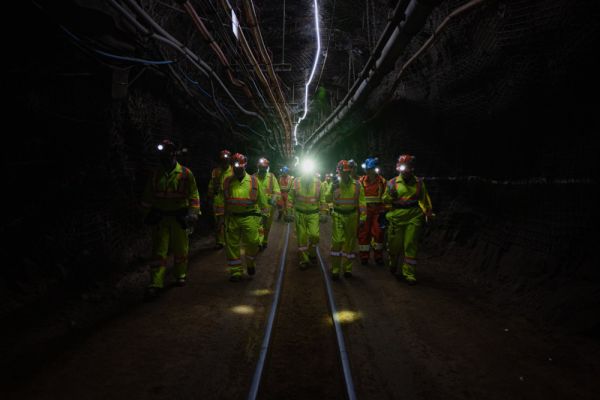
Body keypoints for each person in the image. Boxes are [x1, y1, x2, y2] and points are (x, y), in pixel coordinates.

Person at [141, 139, 200, 298]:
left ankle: (180, 275)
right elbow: (148, 197)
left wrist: (193, 213)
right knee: (159, 251)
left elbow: (194, 195)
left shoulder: (186, 174)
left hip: (179, 216)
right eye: (162, 156)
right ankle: (156, 282)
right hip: (160, 217)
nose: (164, 159)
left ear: (173, 155)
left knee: (181, 249)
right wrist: (144, 215)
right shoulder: (155, 174)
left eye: (167, 156)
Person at [383, 154, 433, 285]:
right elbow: (384, 199)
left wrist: (428, 212)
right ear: (398, 168)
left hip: (414, 217)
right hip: (397, 217)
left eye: (407, 167)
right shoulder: (392, 183)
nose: (405, 170)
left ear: (412, 168)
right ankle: (393, 262)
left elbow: (425, 199)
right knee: (394, 245)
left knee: (410, 244)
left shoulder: (419, 183)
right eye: (402, 167)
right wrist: (391, 197)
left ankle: (409, 273)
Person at [223, 153, 269, 282]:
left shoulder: (254, 181)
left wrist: (265, 214)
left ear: (245, 166)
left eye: (240, 167)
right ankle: (235, 272)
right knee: (232, 246)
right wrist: (223, 219)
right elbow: (225, 201)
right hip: (232, 218)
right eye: (235, 167)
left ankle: (250, 263)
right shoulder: (227, 181)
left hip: (250, 217)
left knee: (253, 243)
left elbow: (262, 199)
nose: (237, 169)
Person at [325, 160, 366, 280]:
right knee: (337, 241)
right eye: (343, 172)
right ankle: (335, 269)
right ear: (338, 172)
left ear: (350, 171)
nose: (345, 174)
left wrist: (363, 217)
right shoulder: (335, 184)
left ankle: (347, 269)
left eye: (347, 172)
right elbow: (327, 198)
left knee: (350, 243)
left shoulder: (357, 185)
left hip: (352, 216)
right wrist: (332, 187)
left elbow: (362, 202)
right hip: (338, 215)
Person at [287, 164, 326, 269]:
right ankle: (304, 260)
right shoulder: (296, 181)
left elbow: (322, 200)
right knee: (302, 237)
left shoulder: (318, 183)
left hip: (313, 213)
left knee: (315, 236)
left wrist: (323, 213)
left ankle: (312, 253)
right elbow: (290, 198)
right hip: (300, 214)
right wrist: (289, 212)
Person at [358, 157, 387, 266]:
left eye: (372, 169)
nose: (369, 171)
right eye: (368, 169)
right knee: (364, 233)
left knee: (378, 233)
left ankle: (378, 256)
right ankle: (364, 256)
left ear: (375, 169)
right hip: (365, 211)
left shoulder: (382, 181)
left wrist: (385, 211)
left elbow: (386, 197)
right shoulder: (360, 181)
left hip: (378, 211)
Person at [253, 157, 281, 250]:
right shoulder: (253, 177)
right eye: (261, 167)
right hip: (256, 206)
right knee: (258, 225)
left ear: (267, 168)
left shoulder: (272, 177)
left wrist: (274, 199)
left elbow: (277, 191)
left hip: (269, 206)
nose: (262, 169)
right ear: (258, 167)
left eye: (264, 167)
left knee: (267, 225)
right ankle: (260, 241)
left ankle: (265, 240)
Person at [207, 150, 233, 249]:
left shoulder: (234, 171)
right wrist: (209, 196)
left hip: (230, 200)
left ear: (229, 160)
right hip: (218, 200)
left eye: (226, 159)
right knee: (218, 223)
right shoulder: (216, 171)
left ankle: (229, 240)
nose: (224, 161)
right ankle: (220, 241)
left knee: (229, 223)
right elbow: (211, 184)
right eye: (223, 160)